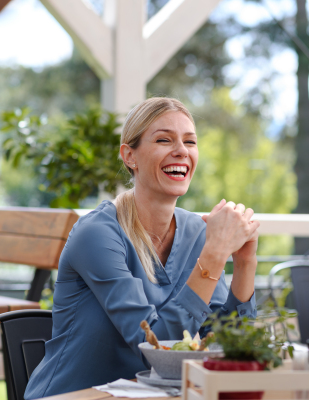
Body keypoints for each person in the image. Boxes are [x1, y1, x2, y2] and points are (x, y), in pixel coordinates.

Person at [25, 98, 259, 399]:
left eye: (190, 142)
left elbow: (227, 346)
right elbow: (158, 348)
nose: (182, 151)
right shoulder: (97, 233)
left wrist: (245, 262)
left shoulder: (198, 232)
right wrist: (214, 256)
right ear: (129, 156)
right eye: (164, 139)